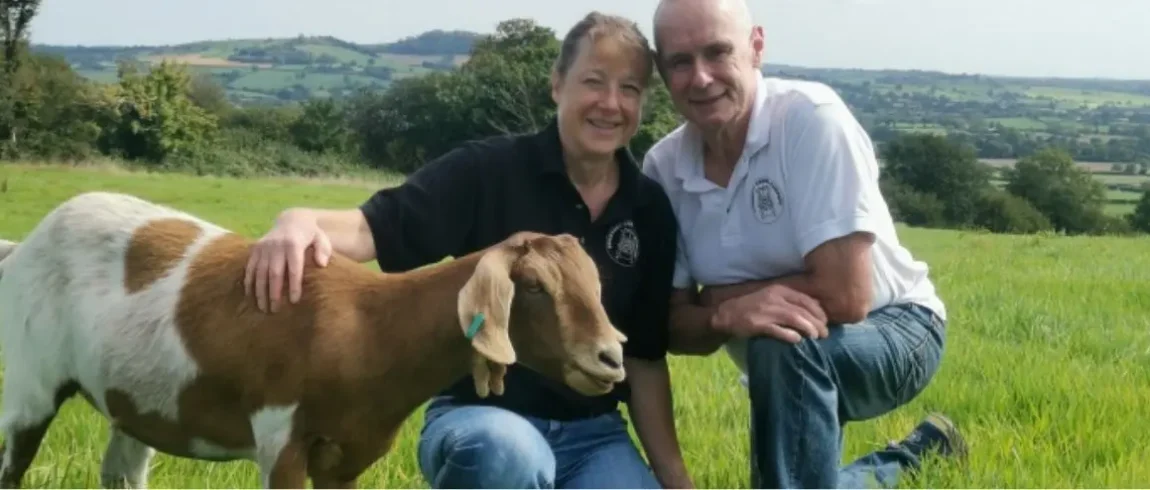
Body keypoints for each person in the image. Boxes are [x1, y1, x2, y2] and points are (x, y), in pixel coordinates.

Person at [243, 11, 694, 490]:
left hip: (594, 435)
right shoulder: (487, 171)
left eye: (629, 89)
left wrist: (675, 480)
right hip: (481, 417)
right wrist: (301, 221)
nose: (610, 103)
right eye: (593, 82)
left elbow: (643, 357)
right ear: (557, 84)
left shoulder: (649, 210)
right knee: (503, 455)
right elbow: (373, 228)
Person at [639, 0, 968, 488]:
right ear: (662, 71)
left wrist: (721, 299)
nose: (702, 77)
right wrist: (721, 316)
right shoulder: (664, 169)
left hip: (897, 326)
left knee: (781, 347)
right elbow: (668, 326)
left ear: (756, 48)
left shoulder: (811, 120)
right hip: (785, 355)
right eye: (680, 61)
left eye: (717, 52)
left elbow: (846, 296)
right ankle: (917, 457)